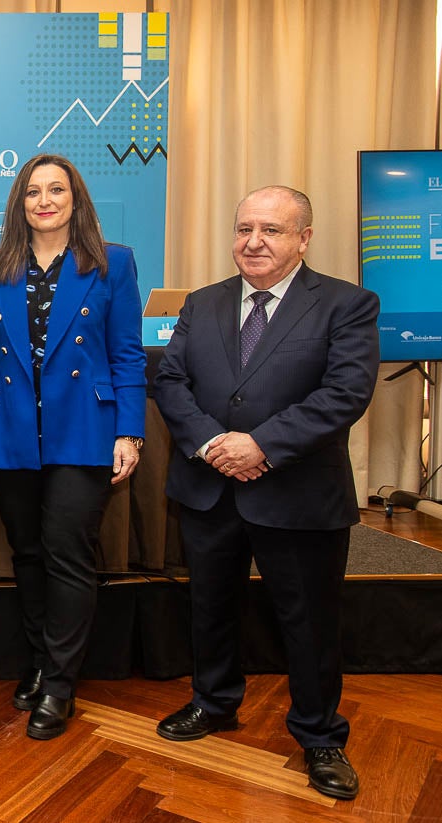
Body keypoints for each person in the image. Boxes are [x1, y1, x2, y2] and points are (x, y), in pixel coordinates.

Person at [153, 186, 378, 801]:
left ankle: (320, 735)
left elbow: (345, 393)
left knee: (308, 622)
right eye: (244, 228)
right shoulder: (202, 303)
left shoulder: (347, 304)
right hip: (209, 488)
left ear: (304, 238)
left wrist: (260, 445)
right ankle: (214, 702)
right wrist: (212, 444)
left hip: (298, 494)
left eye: (272, 231)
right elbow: (171, 381)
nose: (254, 241)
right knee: (211, 608)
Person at [0, 154, 147, 740]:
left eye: (56, 190)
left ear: (75, 199)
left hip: (83, 429)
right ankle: (42, 661)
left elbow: (126, 354)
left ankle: (61, 684)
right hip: (11, 427)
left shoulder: (112, 263)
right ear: (19, 203)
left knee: (68, 553)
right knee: (28, 555)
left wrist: (129, 429)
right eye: (33, 192)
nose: (44, 200)